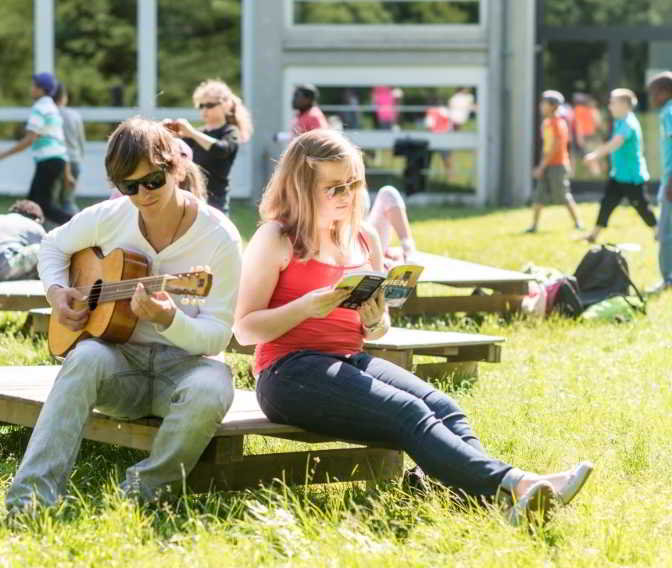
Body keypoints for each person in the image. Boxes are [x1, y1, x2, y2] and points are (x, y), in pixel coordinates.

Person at [234, 128, 593, 526]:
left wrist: (375, 320)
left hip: (350, 359)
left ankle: (477, 498)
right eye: (333, 187)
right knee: (407, 411)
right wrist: (305, 307)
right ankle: (519, 484)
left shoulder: (364, 238)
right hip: (289, 373)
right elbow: (246, 330)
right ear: (301, 186)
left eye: (352, 183)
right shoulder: (277, 237)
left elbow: (376, 332)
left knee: (445, 408)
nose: (347, 195)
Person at [5, 117, 242, 513]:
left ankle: (141, 494)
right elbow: (52, 246)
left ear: (175, 167)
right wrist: (57, 292)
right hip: (120, 362)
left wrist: (171, 320)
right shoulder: (110, 216)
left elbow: (218, 335)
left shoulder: (218, 236)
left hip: (184, 369)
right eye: (128, 187)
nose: (143, 194)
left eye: (152, 180)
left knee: (214, 385)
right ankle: (29, 499)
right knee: (83, 356)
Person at [0, 72, 73, 226]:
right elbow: (61, 143)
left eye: (34, 86)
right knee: (31, 204)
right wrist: (67, 174)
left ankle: (77, 223)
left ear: (42, 90)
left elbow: (30, 139)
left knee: (42, 206)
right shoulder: (53, 108)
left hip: (48, 161)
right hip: (56, 161)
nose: (31, 89)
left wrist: (1, 155)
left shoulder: (40, 108)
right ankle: (29, 234)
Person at [164, 79, 253, 215]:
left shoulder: (230, 131)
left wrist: (192, 133)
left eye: (210, 105)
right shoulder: (198, 134)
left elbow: (222, 149)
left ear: (225, 105)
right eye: (201, 106)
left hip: (217, 201)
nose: (204, 110)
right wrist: (168, 133)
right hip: (195, 198)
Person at [581, 89, 657, 244]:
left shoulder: (629, 123)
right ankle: (593, 235)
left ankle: (659, 232)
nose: (610, 106)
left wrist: (594, 156)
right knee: (607, 203)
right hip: (618, 174)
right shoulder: (620, 121)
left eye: (613, 102)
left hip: (631, 176)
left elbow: (616, 143)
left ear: (624, 104)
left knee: (642, 207)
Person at [525, 91, 584, 234]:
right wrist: (542, 165)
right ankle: (534, 225)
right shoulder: (546, 123)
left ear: (553, 106)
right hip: (547, 164)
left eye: (544, 103)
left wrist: (541, 166)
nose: (541, 106)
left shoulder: (558, 124)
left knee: (563, 195)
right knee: (539, 195)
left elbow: (555, 148)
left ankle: (577, 222)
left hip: (557, 165)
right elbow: (546, 147)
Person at [648, 72, 672, 294]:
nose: (651, 97)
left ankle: (668, 278)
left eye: (654, 92)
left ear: (665, 92)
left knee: (665, 233)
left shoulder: (669, 112)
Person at [52, 82, 86, 215]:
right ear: (63, 97)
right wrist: (79, 160)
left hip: (56, 161)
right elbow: (81, 142)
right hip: (74, 161)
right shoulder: (75, 115)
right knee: (68, 201)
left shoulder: (50, 114)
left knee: (52, 203)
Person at [364, 186, 417, 267]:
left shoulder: (357, 177)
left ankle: (409, 254)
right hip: (350, 248)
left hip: (366, 238)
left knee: (388, 193)